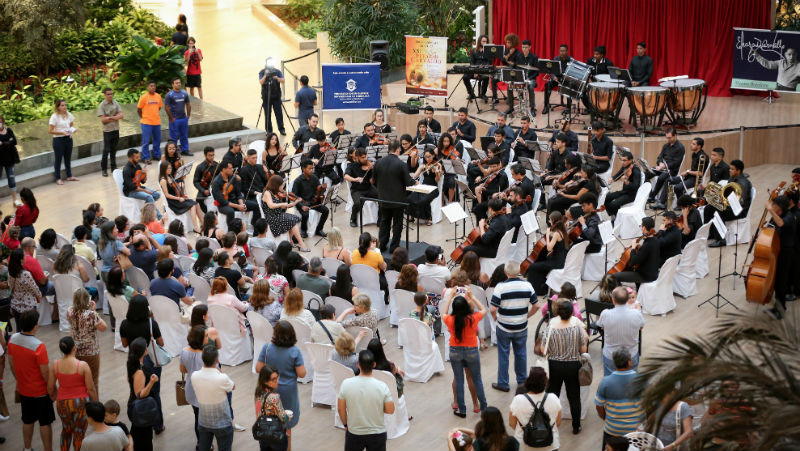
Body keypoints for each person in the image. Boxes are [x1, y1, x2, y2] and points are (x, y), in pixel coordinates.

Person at [539, 299, 588, 434]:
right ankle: (576, 426)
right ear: (572, 313)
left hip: (554, 366)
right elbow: (583, 350)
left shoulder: (550, 328)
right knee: (574, 397)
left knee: (552, 396)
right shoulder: (577, 328)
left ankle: (550, 424)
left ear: (557, 313)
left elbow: (544, 350)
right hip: (573, 366)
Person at [8, 309, 55, 451]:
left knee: (27, 420)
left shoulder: (13, 340)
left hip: (23, 389)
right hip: (40, 392)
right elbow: (45, 373)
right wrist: (52, 389)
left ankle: (27, 448)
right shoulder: (38, 346)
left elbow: (11, 364)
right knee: (45, 423)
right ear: (35, 326)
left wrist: (19, 380)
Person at [256, 321, 307, 448]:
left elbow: (258, 368)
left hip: (269, 390)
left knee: (269, 420)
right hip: (288, 392)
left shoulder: (267, 348)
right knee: (286, 424)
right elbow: (302, 374)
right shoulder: (295, 351)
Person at [119, 296, 165, 437]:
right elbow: (161, 343)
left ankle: (139, 416)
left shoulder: (124, 324)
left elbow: (125, 344)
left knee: (136, 391)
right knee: (154, 391)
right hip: (151, 359)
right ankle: (157, 424)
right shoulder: (151, 323)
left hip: (133, 360)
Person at [490, 261, 537, 393]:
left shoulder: (500, 287)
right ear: (519, 271)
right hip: (521, 327)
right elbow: (537, 305)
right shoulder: (527, 285)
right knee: (521, 354)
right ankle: (522, 381)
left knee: (503, 355)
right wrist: (527, 316)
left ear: (506, 272)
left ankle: (503, 383)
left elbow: (493, 308)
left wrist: (496, 319)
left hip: (504, 327)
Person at [441, 289, 488, 417]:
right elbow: (484, 309)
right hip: (471, 350)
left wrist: (450, 298)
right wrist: (472, 297)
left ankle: (462, 410)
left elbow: (443, 313)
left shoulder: (450, 320)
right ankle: (484, 407)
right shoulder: (472, 318)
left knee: (459, 380)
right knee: (477, 379)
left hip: (455, 351)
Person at [337, 350, 395, 451]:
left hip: (354, 432)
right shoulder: (382, 386)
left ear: (358, 365)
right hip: (377, 433)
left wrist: (346, 425)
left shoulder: (346, 384)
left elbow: (340, 409)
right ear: (374, 365)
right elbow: (390, 410)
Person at [47, 336, 97, 451]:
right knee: (79, 433)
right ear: (74, 348)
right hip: (81, 403)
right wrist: (95, 403)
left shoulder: (55, 364)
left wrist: (55, 397)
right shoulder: (83, 365)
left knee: (66, 430)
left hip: (62, 403)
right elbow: (91, 389)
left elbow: (50, 387)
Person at [594, 348, 645, 449]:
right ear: (629, 362)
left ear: (614, 363)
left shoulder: (605, 382)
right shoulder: (641, 380)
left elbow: (599, 406)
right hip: (635, 431)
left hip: (612, 430)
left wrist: (607, 419)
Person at [190, 345, 235, 451]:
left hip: (204, 421)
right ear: (217, 360)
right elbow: (232, 386)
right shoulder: (222, 378)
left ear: (202, 358)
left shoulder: (194, 376)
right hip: (223, 423)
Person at [508, 367, 562, 451]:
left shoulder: (518, 399)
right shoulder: (553, 398)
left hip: (524, 445)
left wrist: (527, 431)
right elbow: (558, 423)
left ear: (528, 382)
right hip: (550, 445)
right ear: (545, 382)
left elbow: (512, 423)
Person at [374, 139, 414, 252]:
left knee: (384, 222)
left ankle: (382, 245)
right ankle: (394, 247)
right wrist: (414, 182)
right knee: (397, 223)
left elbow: (374, 180)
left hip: (383, 199)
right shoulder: (401, 164)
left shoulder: (378, 162)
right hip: (398, 201)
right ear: (398, 149)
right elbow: (408, 183)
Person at [596, 287, 645, 375]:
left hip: (610, 355)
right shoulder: (637, 314)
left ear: (613, 300)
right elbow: (641, 327)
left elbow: (600, 325)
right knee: (631, 379)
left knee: (610, 378)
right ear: (627, 299)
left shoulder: (606, 313)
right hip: (631, 354)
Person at [704, 159, 752, 247]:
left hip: (739, 211)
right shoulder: (731, 178)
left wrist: (725, 202)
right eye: (730, 168)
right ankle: (710, 233)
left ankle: (721, 239)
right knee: (708, 208)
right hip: (729, 206)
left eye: (732, 169)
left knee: (718, 212)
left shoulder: (744, 184)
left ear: (738, 171)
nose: (729, 170)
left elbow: (741, 202)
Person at [67, 288, 107, 391]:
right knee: (93, 381)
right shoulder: (91, 314)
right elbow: (103, 328)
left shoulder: (69, 311)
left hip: (74, 351)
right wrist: (93, 310)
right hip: (91, 352)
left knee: (79, 380)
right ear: (87, 299)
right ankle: (94, 405)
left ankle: (81, 403)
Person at [766, 195, 797, 317]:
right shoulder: (776, 216)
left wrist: (770, 210)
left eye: (774, 205)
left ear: (780, 207)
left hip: (785, 253)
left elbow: (781, 223)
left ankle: (781, 309)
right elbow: (771, 227)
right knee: (776, 281)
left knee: (781, 282)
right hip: (776, 251)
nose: (772, 206)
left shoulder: (789, 217)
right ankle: (776, 307)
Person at [526, 211, 570, 294]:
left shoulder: (557, 233)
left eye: (550, 220)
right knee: (542, 261)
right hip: (561, 259)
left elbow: (549, 248)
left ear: (553, 220)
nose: (549, 222)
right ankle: (541, 284)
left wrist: (548, 233)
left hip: (557, 263)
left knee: (532, 266)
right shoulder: (563, 230)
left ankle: (537, 290)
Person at [263, 175, 309, 252]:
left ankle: (290, 240)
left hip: (278, 214)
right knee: (292, 221)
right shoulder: (267, 193)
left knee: (296, 218)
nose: (282, 187)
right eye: (281, 185)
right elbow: (271, 205)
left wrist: (295, 202)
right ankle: (301, 244)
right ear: (276, 185)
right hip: (272, 217)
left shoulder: (276, 193)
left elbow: (285, 206)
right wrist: (282, 204)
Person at [613, 217, 660, 289]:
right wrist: (639, 248)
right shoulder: (655, 240)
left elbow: (633, 261)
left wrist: (633, 248)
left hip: (645, 276)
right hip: (653, 272)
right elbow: (646, 253)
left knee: (615, 276)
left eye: (641, 226)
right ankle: (638, 290)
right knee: (629, 268)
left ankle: (621, 297)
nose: (641, 228)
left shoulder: (648, 244)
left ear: (644, 228)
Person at [213, 161, 260, 228]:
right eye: (230, 168)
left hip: (235, 201)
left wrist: (241, 204)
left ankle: (255, 225)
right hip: (223, 205)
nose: (233, 170)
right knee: (230, 212)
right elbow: (221, 201)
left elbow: (238, 194)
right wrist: (237, 206)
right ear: (224, 169)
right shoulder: (216, 182)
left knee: (256, 205)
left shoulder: (233, 178)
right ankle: (231, 232)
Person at [254, 365, 291, 451]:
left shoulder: (258, 392)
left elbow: (258, 414)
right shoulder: (274, 397)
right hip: (276, 435)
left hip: (263, 433)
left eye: (277, 377)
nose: (277, 381)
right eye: (273, 379)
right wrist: (288, 417)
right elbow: (284, 418)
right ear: (265, 381)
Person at [647, 129, 686, 209]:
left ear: (675, 136)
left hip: (672, 170)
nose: (668, 140)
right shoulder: (666, 146)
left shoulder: (680, 148)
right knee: (646, 174)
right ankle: (651, 195)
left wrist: (665, 166)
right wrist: (660, 163)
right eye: (667, 138)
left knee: (661, 177)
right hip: (662, 168)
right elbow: (660, 157)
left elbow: (676, 163)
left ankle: (654, 197)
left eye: (670, 138)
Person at [159, 160, 202, 232]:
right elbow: (167, 195)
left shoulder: (170, 176)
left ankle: (203, 223)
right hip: (173, 202)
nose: (170, 170)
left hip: (177, 198)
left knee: (197, 204)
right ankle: (195, 227)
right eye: (168, 168)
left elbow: (176, 189)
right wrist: (179, 198)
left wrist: (181, 189)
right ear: (163, 169)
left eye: (170, 168)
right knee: (193, 205)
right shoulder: (163, 180)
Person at [291, 160, 329, 238]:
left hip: (313, 201)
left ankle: (319, 229)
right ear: (303, 169)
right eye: (309, 168)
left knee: (326, 210)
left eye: (312, 168)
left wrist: (322, 189)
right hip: (302, 202)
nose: (312, 170)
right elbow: (294, 197)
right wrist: (301, 206)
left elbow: (318, 190)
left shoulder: (314, 177)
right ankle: (303, 230)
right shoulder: (298, 181)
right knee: (305, 214)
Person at [345, 147, 379, 227]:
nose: (365, 159)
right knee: (357, 203)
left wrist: (373, 171)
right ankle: (353, 218)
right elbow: (346, 176)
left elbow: (371, 181)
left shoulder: (368, 165)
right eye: (363, 157)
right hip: (357, 190)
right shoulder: (351, 166)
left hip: (369, 188)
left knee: (382, 197)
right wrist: (355, 179)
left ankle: (380, 219)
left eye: (366, 156)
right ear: (357, 157)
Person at [122, 149, 162, 218]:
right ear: (131, 158)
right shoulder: (126, 170)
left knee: (156, 194)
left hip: (138, 187)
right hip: (130, 191)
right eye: (137, 157)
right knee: (149, 196)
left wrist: (145, 174)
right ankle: (159, 217)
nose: (139, 159)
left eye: (139, 156)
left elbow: (143, 181)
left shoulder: (138, 166)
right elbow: (132, 187)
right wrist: (145, 191)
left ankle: (144, 211)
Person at [8, 249, 41, 329]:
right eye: (24, 255)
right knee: (29, 330)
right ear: (21, 259)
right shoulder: (25, 274)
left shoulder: (10, 273)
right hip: (28, 305)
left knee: (19, 329)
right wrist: (39, 295)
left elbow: (11, 287)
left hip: (15, 304)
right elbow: (34, 288)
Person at [48, 99, 79, 185]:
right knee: (58, 159)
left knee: (68, 158)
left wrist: (73, 130)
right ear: (58, 107)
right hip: (58, 140)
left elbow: (71, 126)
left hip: (68, 139)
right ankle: (58, 178)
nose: (64, 107)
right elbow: (50, 131)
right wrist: (61, 132)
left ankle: (69, 176)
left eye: (65, 105)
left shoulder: (69, 115)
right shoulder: (54, 117)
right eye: (62, 105)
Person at [408, 149, 442, 224]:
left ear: (433, 155)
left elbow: (437, 180)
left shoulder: (438, 165)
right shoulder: (423, 165)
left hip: (433, 188)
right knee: (411, 198)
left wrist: (437, 173)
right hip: (423, 187)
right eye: (426, 157)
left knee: (424, 200)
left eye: (429, 156)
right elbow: (414, 176)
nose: (427, 159)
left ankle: (428, 217)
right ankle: (412, 215)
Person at [95, 87, 124, 176]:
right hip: (107, 131)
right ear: (105, 95)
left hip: (116, 129)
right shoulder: (102, 105)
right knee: (106, 150)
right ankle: (104, 169)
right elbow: (103, 120)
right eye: (108, 94)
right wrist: (115, 117)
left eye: (111, 94)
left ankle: (113, 167)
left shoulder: (116, 103)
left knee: (114, 149)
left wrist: (110, 118)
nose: (110, 95)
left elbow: (121, 115)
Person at [605, 150, 642, 219]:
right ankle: (613, 215)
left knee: (614, 204)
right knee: (607, 197)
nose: (622, 162)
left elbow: (635, 186)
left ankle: (617, 219)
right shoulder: (625, 166)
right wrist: (612, 178)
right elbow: (619, 173)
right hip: (624, 191)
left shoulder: (636, 170)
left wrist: (626, 181)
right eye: (621, 160)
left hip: (632, 195)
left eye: (624, 160)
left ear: (630, 160)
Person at [164, 77, 193, 156]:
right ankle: (174, 152)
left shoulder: (184, 93)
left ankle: (185, 150)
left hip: (183, 118)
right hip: (174, 119)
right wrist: (171, 118)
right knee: (173, 137)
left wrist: (188, 115)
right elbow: (166, 107)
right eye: (176, 83)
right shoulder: (169, 95)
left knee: (184, 135)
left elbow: (188, 104)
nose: (178, 84)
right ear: (172, 85)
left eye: (179, 82)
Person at [542, 44, 575, 115]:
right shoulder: (556, 59)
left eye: (563, 51)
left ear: (567, 51)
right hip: (556, 79)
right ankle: (546, 106)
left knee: (569, 86)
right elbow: (552, 70)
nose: (562, 52)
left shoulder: (571, 60)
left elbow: (572, 72)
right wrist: (553, 77)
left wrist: (566, 78)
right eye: (560, 51)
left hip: (566, 79)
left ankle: (568, 108)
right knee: (547, 84)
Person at [137, 81, 163, 164]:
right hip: (146, 123)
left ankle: (156, 155)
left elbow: (159, 108)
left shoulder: (158, 96)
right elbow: (139, 109)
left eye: (154, 86)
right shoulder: (144, 97)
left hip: (156, 122)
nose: (153, 87)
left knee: (157, 140)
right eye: (151, 86)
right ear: (147, 87)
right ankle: (146, 157)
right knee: (146, 141)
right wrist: (144, 117)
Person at [260, 59, 286, 135]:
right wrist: (265, 75)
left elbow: (283, 80)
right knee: (267, 115)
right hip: (266, 97)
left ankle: (281, 129)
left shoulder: (277, 71)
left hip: (276, 97)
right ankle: (269, 131)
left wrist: (276, 78)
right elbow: (261, 82)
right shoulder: (262, 71)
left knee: (279, 114)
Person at [193, 146, 218, 213]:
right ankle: (206, 213)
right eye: (210, 155)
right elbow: (195, 182)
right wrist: (203, 190)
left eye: (213, 155)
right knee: (199, 199)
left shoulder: (217, 165)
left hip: (215, 188)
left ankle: (216, 212)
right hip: (205, 187)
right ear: (205, 155)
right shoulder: (200, 167)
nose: (212, 157)